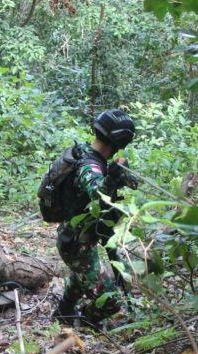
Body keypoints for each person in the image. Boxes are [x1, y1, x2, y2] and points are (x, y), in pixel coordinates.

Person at [52, 109, 137, 327]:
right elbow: (98, 196)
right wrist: (112, 177)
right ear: (118, 141)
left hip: (80, 238)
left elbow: (128, 183)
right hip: (75, 243)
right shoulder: (89, 165)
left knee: (82, 275)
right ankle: (85, 323)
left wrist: (121, 175)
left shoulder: (89, 154)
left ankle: (64, 311)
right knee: (111, 300)